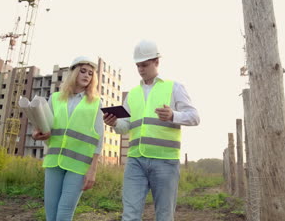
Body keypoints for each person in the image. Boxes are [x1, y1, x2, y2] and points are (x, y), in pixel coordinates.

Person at [103, 40, 200, 221]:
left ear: (157, 62)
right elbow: (126, 127)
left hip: (165, 162)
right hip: (135, 161)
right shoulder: (132, 94)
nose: (140, 69)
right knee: (129, 215)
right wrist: (114, 123)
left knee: (164, 216)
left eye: (144, 65)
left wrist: (173, 116)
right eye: (138, 65)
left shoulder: (174, 87)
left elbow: (194, 117)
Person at [32, 56, 104, 221]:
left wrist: (92, 170)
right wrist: (37, 134)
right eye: (83, 71)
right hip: (54, 161)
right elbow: (44, 126)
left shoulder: (95, 103)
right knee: (51, 214)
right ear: (73, 73)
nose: (87, 75)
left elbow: (99, 139)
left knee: (64, 214)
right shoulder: (55, 98)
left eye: (91, 73)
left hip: (78, 165)